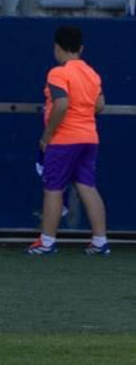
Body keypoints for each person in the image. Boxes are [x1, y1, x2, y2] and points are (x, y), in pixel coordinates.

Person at [29, 25, 109, 256]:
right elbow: (100, 105)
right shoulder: (92, 74)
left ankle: (46, 241)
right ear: (80, 48)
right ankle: (100, 241)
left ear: (57, 47)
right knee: (88, 187)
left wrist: (47, 135)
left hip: (64, 139)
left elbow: (61, 104)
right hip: (89, 137)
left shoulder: (58, 73)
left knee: (53, 188)